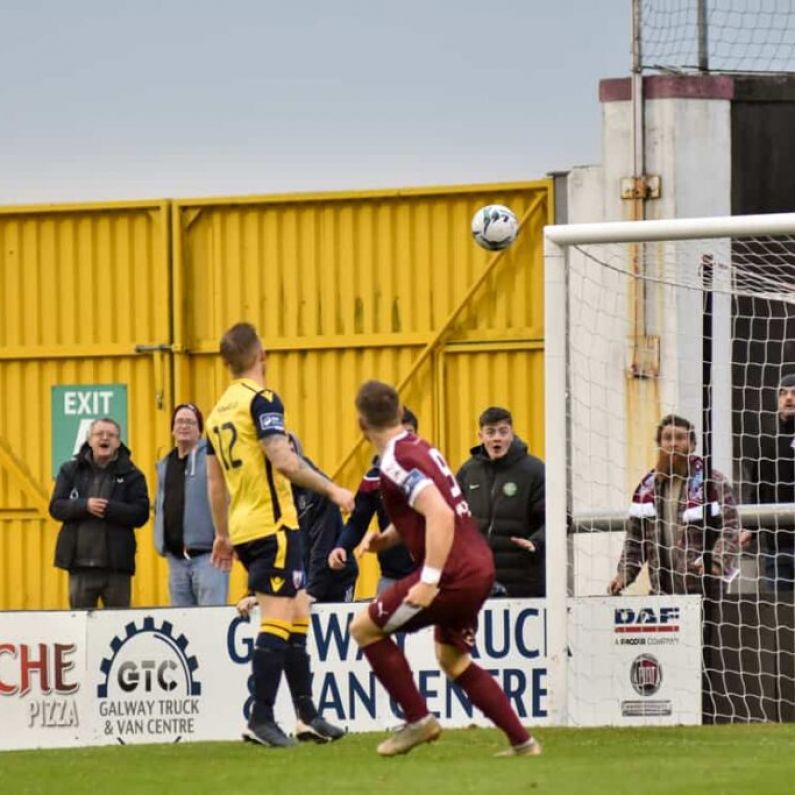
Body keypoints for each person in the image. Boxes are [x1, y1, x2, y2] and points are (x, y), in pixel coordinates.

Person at [348, 380, 542, 758]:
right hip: (479, 565)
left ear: (360, 424)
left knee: (364, 628)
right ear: (401, 413)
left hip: (452, 573)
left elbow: (438, 512)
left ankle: (418, 720)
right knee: (452, 658)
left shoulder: (393, 460)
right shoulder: (420, 447)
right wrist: (385, 539)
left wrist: (430, 578)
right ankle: (524, 743)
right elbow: (426, 507)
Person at [206, 321, 354, 748]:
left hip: (245, 525)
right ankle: (261, 716)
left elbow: (214, 483)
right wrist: (332, 488)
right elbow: (283, 460)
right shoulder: (263, 399)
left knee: (296, 615)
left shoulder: (217, 413)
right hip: (274, 526)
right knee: (276, 618)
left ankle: (307, 715)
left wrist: (221, 533)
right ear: (261, 355)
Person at [609, 414, 740, 597]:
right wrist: (624, 575)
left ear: (693, 445)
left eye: (680, 438)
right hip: (661, 593)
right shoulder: (646, 489)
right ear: (660, 444)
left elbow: (731, 527)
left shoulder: (713, 481)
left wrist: (716, 560)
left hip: (704, 590)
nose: (673, 444)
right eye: (667, 438)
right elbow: (635, 540)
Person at [49, 417, 149, 609]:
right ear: (89, 440)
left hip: (117, 569)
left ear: (118, 442)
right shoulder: (70, 470)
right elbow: (56, 507)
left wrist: (109, 509)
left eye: (111, 435)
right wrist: (84, 506)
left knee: (118, 628)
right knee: (80, 627)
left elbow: (141, 514)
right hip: (79, 567)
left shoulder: (133, 475)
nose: (105, 438)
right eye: (99, 434)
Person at [456, 407, 546, 598]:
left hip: (523, 583)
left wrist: (536, 542)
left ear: (512, 434)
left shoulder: (534, 471)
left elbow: (559, 517)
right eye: (491, 432)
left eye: (503, 432)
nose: (497, 438)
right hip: (478, 582)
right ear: (481, 436)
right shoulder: (468, 471)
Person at [329, 407, 418, 596]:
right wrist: (341, 547)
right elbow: (357, 522)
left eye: (408, 434)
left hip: (429, 578)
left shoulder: (431, 473)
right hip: (391, 579)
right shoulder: (373, 479)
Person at [153, 403, 229, 606]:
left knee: (211, 621)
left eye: (190, 422)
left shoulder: (213, 459)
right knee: (182, 627)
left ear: (199, 429)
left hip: (209, 558)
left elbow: (226, 497)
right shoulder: (165, 464)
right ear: (172, 429)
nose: (184, 426)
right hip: (176, 561)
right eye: (179, 421)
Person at [288, 432, 358, 603]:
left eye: (291, 453)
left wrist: (312, 592)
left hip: (335, 579)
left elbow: (322, 544)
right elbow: (269, 550)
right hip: (301, 581)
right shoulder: (273, 495)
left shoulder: (318, 490)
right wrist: (255, 593)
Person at [740, 374, 795, 592]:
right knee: (780, 617)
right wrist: (749, 529)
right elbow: (758, 493)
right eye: (783, 393)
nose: (789, 398)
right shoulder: (766, 446)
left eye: (794, 392)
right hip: (777, 548)